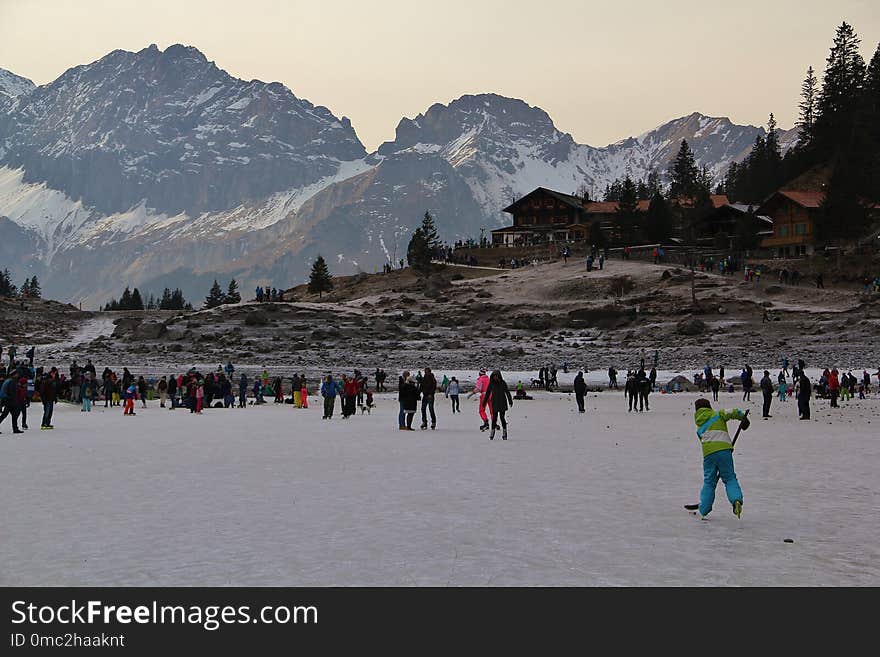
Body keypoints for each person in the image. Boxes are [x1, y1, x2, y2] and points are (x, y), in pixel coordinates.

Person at [693, 398, 747, 519]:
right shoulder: (719, 414)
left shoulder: (699, 428)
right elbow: (734, 411)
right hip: (724, 451)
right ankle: (736, 500)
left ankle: (704, 508)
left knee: (709, 482)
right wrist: (743, 418)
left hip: (708, 455)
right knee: (729, 478)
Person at [484, 370, 513, 440]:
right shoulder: (491, 383)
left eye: (496, 376)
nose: (495, 378)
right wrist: (484, 401)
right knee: (494, 419)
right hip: (494, 403)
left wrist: (510, 401)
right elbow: (487, 393)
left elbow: (507, 392)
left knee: (502, 418)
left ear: (499, 376)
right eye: (494, 376)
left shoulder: (503, 383)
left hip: (502, 402)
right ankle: (492, 432)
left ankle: (504, 433)